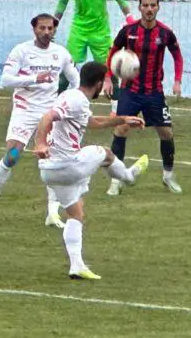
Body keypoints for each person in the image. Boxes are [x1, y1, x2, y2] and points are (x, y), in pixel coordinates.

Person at [33, 62, 150, 280]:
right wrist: (40, 143)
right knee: (105, 153)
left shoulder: (73, 97)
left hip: (49, 171)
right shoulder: (76, 99)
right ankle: (128, 176)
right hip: (68, 165)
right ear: (98, 84)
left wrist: (123, 119)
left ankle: (76, 266)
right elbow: (47, 117)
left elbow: (93, 122)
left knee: (75, 213)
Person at [0, 14, 80, 227]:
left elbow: (75, 80)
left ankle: (52, 213)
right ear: (34, 29)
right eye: (42, 28)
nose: (46, 32)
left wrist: (65, 101)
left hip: (48, 112)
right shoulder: (21, 51)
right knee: (12, 156)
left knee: (52, 161)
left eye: (50, 28)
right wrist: (34, 79)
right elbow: (6, 80)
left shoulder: (61, 53)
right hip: (25, 110)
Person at [103, 0, 184, 196]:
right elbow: (112, 53)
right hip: (130, 91)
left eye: (153, 5)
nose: (149, 9)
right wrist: (108, 78)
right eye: (145, 5)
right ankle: (116, 180)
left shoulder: (165, 33)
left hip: (154, 92)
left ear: (158, 7)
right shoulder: (128, 31)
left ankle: (168, 176)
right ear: (139, 7)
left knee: (166, 133)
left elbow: (177, 56)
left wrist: (177, 81)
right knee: (121, 129)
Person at [55, 0, 136, 111]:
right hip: (79, 29)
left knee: (109, 69)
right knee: (67, 66)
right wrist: (54, 22)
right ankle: (54, 105)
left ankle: (117, 109)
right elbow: (63, 0)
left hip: (100, 30)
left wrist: (129, 16)